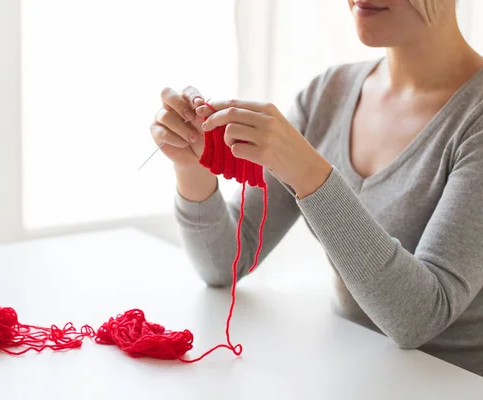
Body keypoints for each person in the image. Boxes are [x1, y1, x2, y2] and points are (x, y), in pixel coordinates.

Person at [150, 0, 483, 376]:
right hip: (349, 373)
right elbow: (225, 263)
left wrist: (307, 173)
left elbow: (419, 319)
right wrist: (191, 166)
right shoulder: (328, 94)